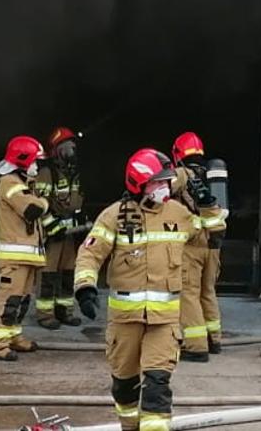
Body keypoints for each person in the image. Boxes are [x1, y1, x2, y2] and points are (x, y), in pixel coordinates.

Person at [73, 149, 192, 431]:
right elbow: (89, 254)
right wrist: (85, 287)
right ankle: (129, 426)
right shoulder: (114, 216)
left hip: (164, 323)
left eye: (166, 181)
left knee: (157, 384)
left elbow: (210, 234)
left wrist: (211, 207)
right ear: (138, 183)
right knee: (125, 385)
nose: (164, 187)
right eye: (157, 182)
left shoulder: (179, 213)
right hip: (125, 322)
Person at [0, 135, 50, 361]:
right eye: (35, 161)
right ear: (23, 160)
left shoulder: (23, 184)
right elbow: (32, 209)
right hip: (13, 257)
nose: (37, 166)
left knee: (22, 301)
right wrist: (45, 202)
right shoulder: (8, 183)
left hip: (27, 257)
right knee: (8, 301)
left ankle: (14, 336)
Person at [172, 131, 227, 357]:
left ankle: (195, 347)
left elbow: (164, 188)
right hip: (213, 244)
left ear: (178, 153)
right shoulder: (210, 173)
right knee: (208, 292)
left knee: (188, 294)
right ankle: (214, 340)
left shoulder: (182, 173)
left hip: (192, 244)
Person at [32, 126, 87, 329]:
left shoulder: (74, 174)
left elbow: (77, 201)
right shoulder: (47, 174)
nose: (72, 147)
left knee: (68, 274)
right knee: (49, 274)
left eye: (73, 143)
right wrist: (51, 226)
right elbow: (39, 205)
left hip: (69, 235)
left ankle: (65, 311)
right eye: (68, 144)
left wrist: (82, 220)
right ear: (57, 149)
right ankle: (45, 315)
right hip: (53, 235)